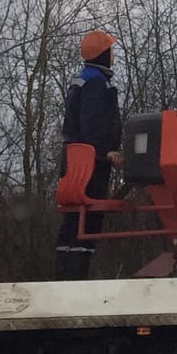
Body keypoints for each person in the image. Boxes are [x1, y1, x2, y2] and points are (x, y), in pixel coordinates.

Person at [54, 29, 123, 280]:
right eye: (111, 50)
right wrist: (108, 152)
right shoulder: (96, 83)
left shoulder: (82, 79)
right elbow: (93, 124)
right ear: (104, 53)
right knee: (88, 220)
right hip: (91, 163)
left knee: (73, 221)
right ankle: (76, 280)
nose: (114, 54)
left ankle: (65, 278)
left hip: (74, 162)